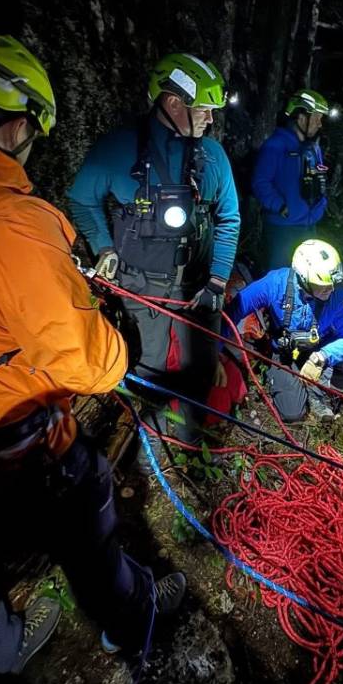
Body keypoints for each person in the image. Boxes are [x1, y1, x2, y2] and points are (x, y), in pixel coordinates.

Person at [0, 29, 185, 675]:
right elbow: (95, 366)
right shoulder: (7, 226)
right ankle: (129, 620)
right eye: (27, 130)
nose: (26, 148)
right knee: (88, 494)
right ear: (0, 124)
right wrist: (101, 319)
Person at [68, 53, 240, 447]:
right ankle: (145, 440)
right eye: (204, 110)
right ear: (173, 102)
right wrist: (104, 248)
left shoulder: (212, 157)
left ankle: (186, 443)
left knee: (199, 369)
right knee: (148, 368)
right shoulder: (118, 149)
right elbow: (82, 199)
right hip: (139, 289)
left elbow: (229, 219)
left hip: (198, 290)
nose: (211, 120)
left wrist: (216, 281)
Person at [227, 239, 343, 422]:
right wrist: (217, 350)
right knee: (292, 413)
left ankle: (318, 394)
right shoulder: (276, 283)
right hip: (283, 353)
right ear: (303, 279)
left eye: (332, 284)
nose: (330, 290)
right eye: (323, 285)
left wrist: (322, 356)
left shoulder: (337, 295)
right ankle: (287, 381)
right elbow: (236, 309)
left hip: (317, 350)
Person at [252, 90, 332, 270]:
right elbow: (260, 182)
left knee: (305, 278)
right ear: (301, 117)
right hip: (282, 229)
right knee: (279, 279)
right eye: (317, 117)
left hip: (309, 227)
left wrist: (320, 206)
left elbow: (320, 181)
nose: (320, 124)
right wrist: (281, 207)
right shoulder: (275, 145)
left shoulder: (314, 149)